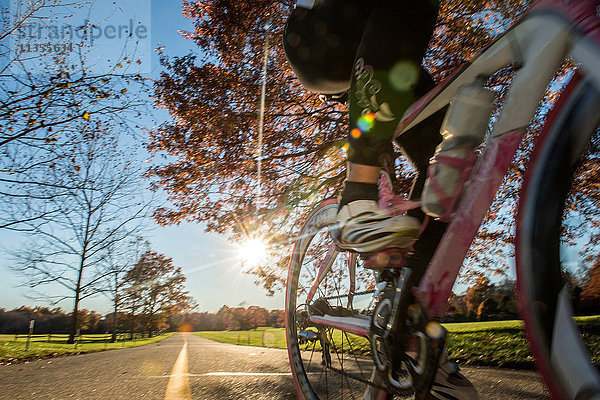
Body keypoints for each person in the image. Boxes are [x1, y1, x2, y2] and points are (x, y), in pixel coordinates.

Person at [283, 1, 478, 399]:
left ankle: (411, 324)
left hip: (379, 40)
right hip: (320, 31)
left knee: (449, 161)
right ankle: (358, 195)